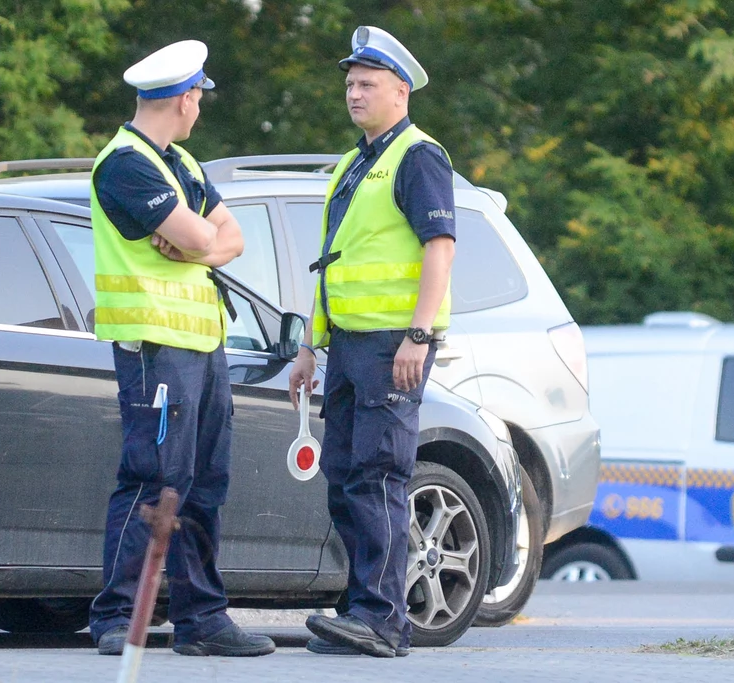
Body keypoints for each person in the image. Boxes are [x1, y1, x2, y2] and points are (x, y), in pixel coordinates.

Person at [88, 39, 275, 658]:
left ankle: (202, 621)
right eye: (199, 96)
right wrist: (200, 239)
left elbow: (232, 238)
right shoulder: (126, 163)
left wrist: (196, 244)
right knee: (151, 480)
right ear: (184, 98)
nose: (201, 106)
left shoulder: (183, 165)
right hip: (153, 346)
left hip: (201, 345)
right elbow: (205, 232)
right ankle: (116, 618)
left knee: (203, 485)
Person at [288, 25, 456, 658]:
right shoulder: (359, 161)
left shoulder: (417, 156)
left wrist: (419, 332)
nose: (354, 94)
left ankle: (382, 619)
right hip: (350, 346)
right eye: (351, 84)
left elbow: (440, 248)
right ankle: (360, 608)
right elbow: (335, 264)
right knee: (343, 477)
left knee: (378, 475)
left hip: (393, 344)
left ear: (401, 90)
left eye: (367, 84)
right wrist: (310, 346)